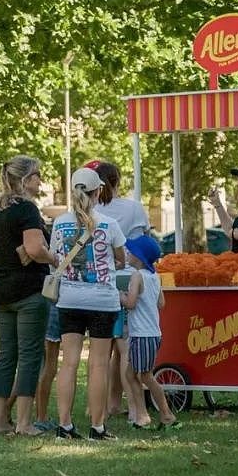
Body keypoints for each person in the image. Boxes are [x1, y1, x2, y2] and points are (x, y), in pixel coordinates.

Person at [0, 156, 57, 436]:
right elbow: (33, 249)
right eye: (37, 176)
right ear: (26, 179)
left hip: (2, 289)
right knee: (30, 356)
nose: (40, 181)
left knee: (5, 355)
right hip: (29, 289)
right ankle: (23, 423)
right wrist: (53, 259)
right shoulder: (28, 209)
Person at [50, 166, 126, 441]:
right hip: (102, 300)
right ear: (98, 191)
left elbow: (56, 256)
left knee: (68, 364)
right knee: (97, 366)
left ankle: (65, 425)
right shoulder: (109, 224)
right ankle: (97, 427)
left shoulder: (59, 223)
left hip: (69, 299)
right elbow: (121, 259)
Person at [93, 160, 148, 423]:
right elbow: (140, 244)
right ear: (117, 181)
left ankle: (104, 406)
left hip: (97, 280)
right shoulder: (133, 208)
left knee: (103, 349)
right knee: (125, 347)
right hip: (124, 279)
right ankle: (136, 409)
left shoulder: (88, 209)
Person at [119, 235, 179, 430]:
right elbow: (161, 303)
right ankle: (142, 415)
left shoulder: (138, 276)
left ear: (139, 257)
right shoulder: (155, 276)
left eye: (131, 251)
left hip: (142, 335)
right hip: (152, 333)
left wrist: (119, 295)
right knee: (130, 375)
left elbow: (131, 303)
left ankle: (166, 414)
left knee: (146, 376)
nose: (128, 253)